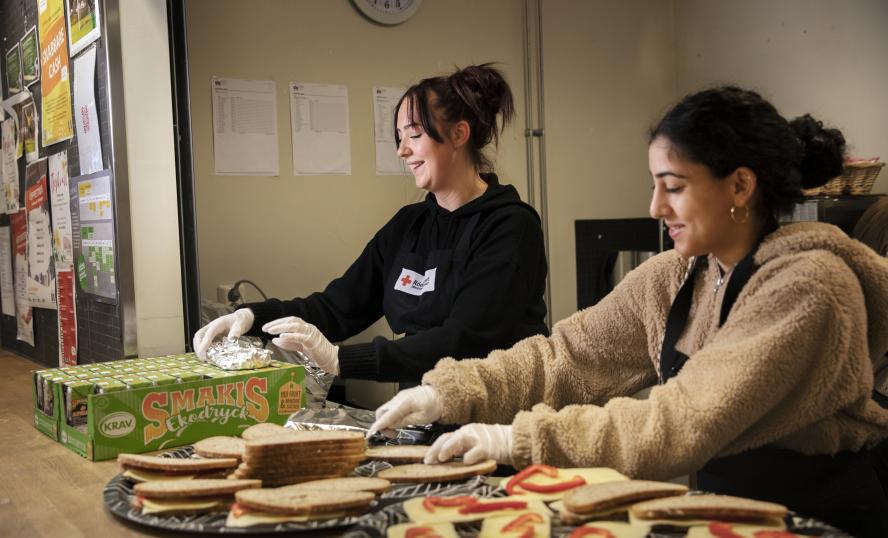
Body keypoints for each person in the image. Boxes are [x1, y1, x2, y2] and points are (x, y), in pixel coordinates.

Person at [369, 86, 888, 537]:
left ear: (740, 186)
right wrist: (450, 391)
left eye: (675, 187)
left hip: (815, 519)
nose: (655, 208)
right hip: (727, 513)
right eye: (654, 184)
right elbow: (565, 357)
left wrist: (517, 438)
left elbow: (682, 419)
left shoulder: (809, 286)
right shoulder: (677, 276)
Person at [194, 64, 548, 386]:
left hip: (499, 419)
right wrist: (251, 317)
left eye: (414, 134)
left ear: (459, 134)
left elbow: (464, 339)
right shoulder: (410, 225)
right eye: (399, 137)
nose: (402, 151)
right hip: (424, 408)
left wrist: (340, 359)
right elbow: (337, 307)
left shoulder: (510, 227)